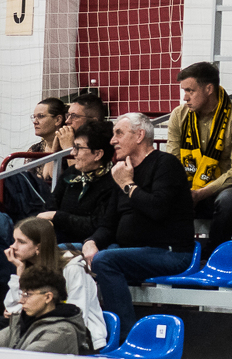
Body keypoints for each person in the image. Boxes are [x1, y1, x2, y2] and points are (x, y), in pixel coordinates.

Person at [83, 113, 197, 337]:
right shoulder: (121, 171)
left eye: (119, 133)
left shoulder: (166, 164)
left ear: (139, 135)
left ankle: (127, 336)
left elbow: (157, 209)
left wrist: (128, 184)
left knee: (105, 259)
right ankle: (85, 333)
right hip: (129, 251)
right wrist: (91, 241)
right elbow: (108, 224)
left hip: (169, 252)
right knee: (70, 255)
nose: (112, 141)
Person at [164, 62, 232, 258]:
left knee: (229, 199)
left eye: (190, 91)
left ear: (208, 89)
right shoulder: (179, 115)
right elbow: (172, 162)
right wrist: (183, 191)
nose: (185, 97)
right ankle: (173, 255)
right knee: (161, 192)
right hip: (190, 185)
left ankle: (212, 256)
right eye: (184, 91)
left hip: (225, 188)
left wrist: (201, 193)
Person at [0, 217, 106, 350]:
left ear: (38, 247)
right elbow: (12, 310)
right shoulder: (27, 267)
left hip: (82, 338)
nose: (13, 247)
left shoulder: (73, 268)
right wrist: (20, 271)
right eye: (14, 240)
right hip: (41, 331)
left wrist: (26, 313)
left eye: (21, 242)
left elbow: (77, 315)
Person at [37, 120, 119, 245]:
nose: (72, 153)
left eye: (78, 148)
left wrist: (56, 216)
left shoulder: (113, 181)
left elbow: (96, 225)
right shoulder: (72, 173)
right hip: (58, 236)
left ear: (98, 154)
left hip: (87, 243)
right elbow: (49, 207)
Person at [0, 264, 93, 355]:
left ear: (48, 297)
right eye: (21, 294)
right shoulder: (19, 324)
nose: (21, 300)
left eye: (27, 295)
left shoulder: (62, 332)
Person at [30, 97, 67, 181]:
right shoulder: (34, 150)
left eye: (40, 116)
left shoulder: (69, 149)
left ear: (58, 120)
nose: (35, 122)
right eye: (34, 117)